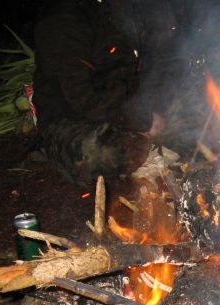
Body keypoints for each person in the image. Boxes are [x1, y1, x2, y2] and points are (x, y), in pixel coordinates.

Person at [33, 0, 178, 185]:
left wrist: (151, 110)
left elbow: (129, 74)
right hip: (72, 123)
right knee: (113, 153)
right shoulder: (63, 17)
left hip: (117, 115)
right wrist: (141, 121)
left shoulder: (114, 9)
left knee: (185, 123)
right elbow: (81, 96)